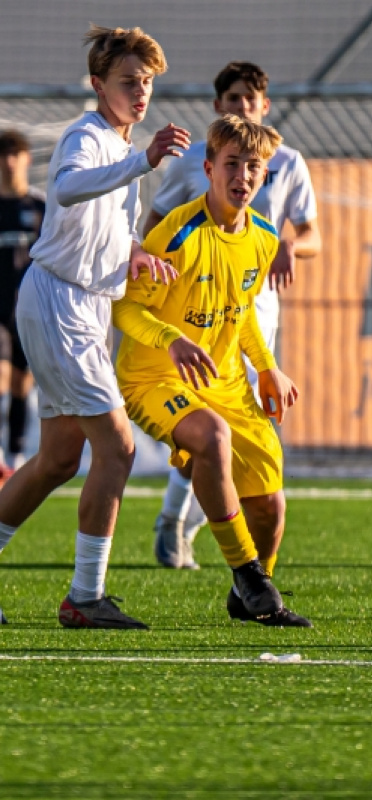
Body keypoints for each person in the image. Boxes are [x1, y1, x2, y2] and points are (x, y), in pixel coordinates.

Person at [0, 25, 190, 628]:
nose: (140, 93)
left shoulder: (119, 143)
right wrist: (143, 159)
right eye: (128, 82)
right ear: (97, 85)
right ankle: (85, 597)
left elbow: (100, 222)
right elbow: (65, 186)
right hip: (62, 303)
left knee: (58, 458)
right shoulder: (89, 135)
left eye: (147, 82)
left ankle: (85, 595)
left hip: (76, 304)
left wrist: (133, 252)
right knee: (118, 447)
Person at [113, 114, 312, 628]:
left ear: (264, 176)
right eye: (231, 164)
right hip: (154, 375)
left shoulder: (264, 238)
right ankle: (250, 575)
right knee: (213, 437)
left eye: (253, 167)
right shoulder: (178, 232)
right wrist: (172, 340)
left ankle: (244, 597)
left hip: (223, 379)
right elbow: (127, 309)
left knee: (270, 503)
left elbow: (240, 308)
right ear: (208, 168)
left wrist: (267, 368)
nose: (242, 175)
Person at [143, 60, 321, 571]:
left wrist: (289, 242)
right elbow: (157, 230)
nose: (243, 106)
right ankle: (176, 523)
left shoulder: (288, 163)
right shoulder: (193, 163)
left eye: (252, 99)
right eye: (233, 99)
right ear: (218, 107)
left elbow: (312, 234)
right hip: (200, 320)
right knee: (208, 429)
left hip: (255, 316)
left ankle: (191, 525)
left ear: (265, 107)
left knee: (241, 439)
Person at [0, 130, 45, 475]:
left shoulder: (41, 208)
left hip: (28, 313)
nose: (8, 162)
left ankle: (12, 460)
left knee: (20, 385)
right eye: (3, 155)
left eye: (15, 154)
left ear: (27, 159)